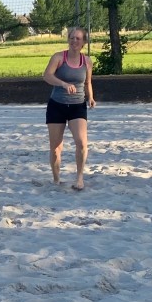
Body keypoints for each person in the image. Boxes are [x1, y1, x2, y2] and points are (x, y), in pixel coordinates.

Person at [42, 26, 96, 190]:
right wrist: (64, 84)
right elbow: (47, 76)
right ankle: (56, 178)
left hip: (77, 106)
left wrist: (91, 97)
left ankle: (79, 178)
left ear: (83, 42)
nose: (74, 41)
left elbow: (88, 82)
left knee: (81, 143)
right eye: (72, 38)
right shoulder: (59, 57)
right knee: (56, 147)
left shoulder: (87, 61)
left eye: (78, 38)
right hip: (57, 105)